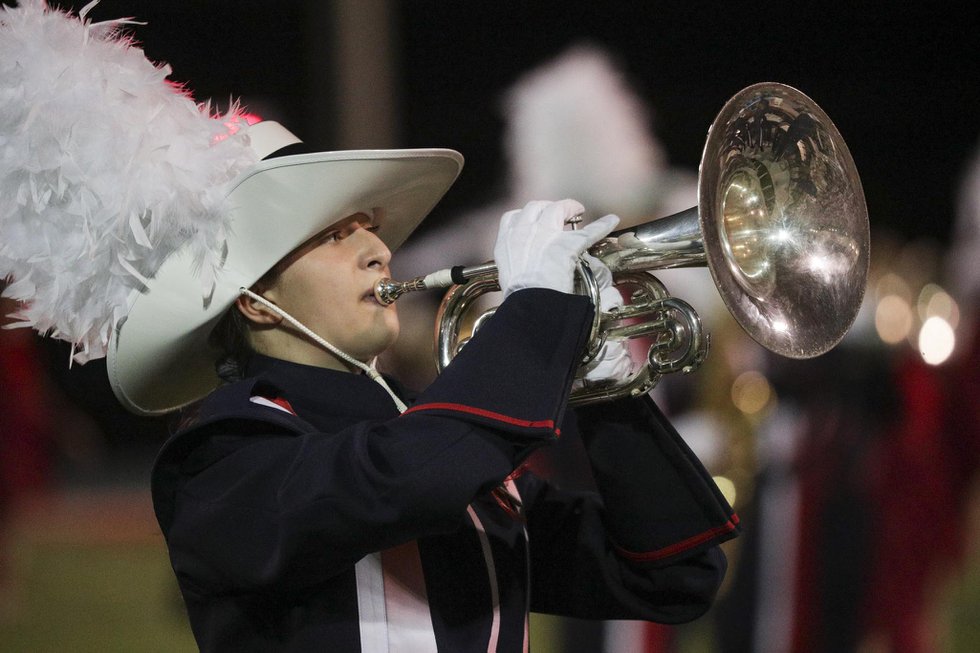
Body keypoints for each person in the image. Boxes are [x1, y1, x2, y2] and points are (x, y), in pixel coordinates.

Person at [106, 121, 740, 652]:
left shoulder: (434, 442)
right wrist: (535, 320)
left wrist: (610, 396)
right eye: (334, 234)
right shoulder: (224, 454)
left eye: (370, 226)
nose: (380, 250)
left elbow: (674, 575)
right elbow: (404, 478)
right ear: (258, 303)